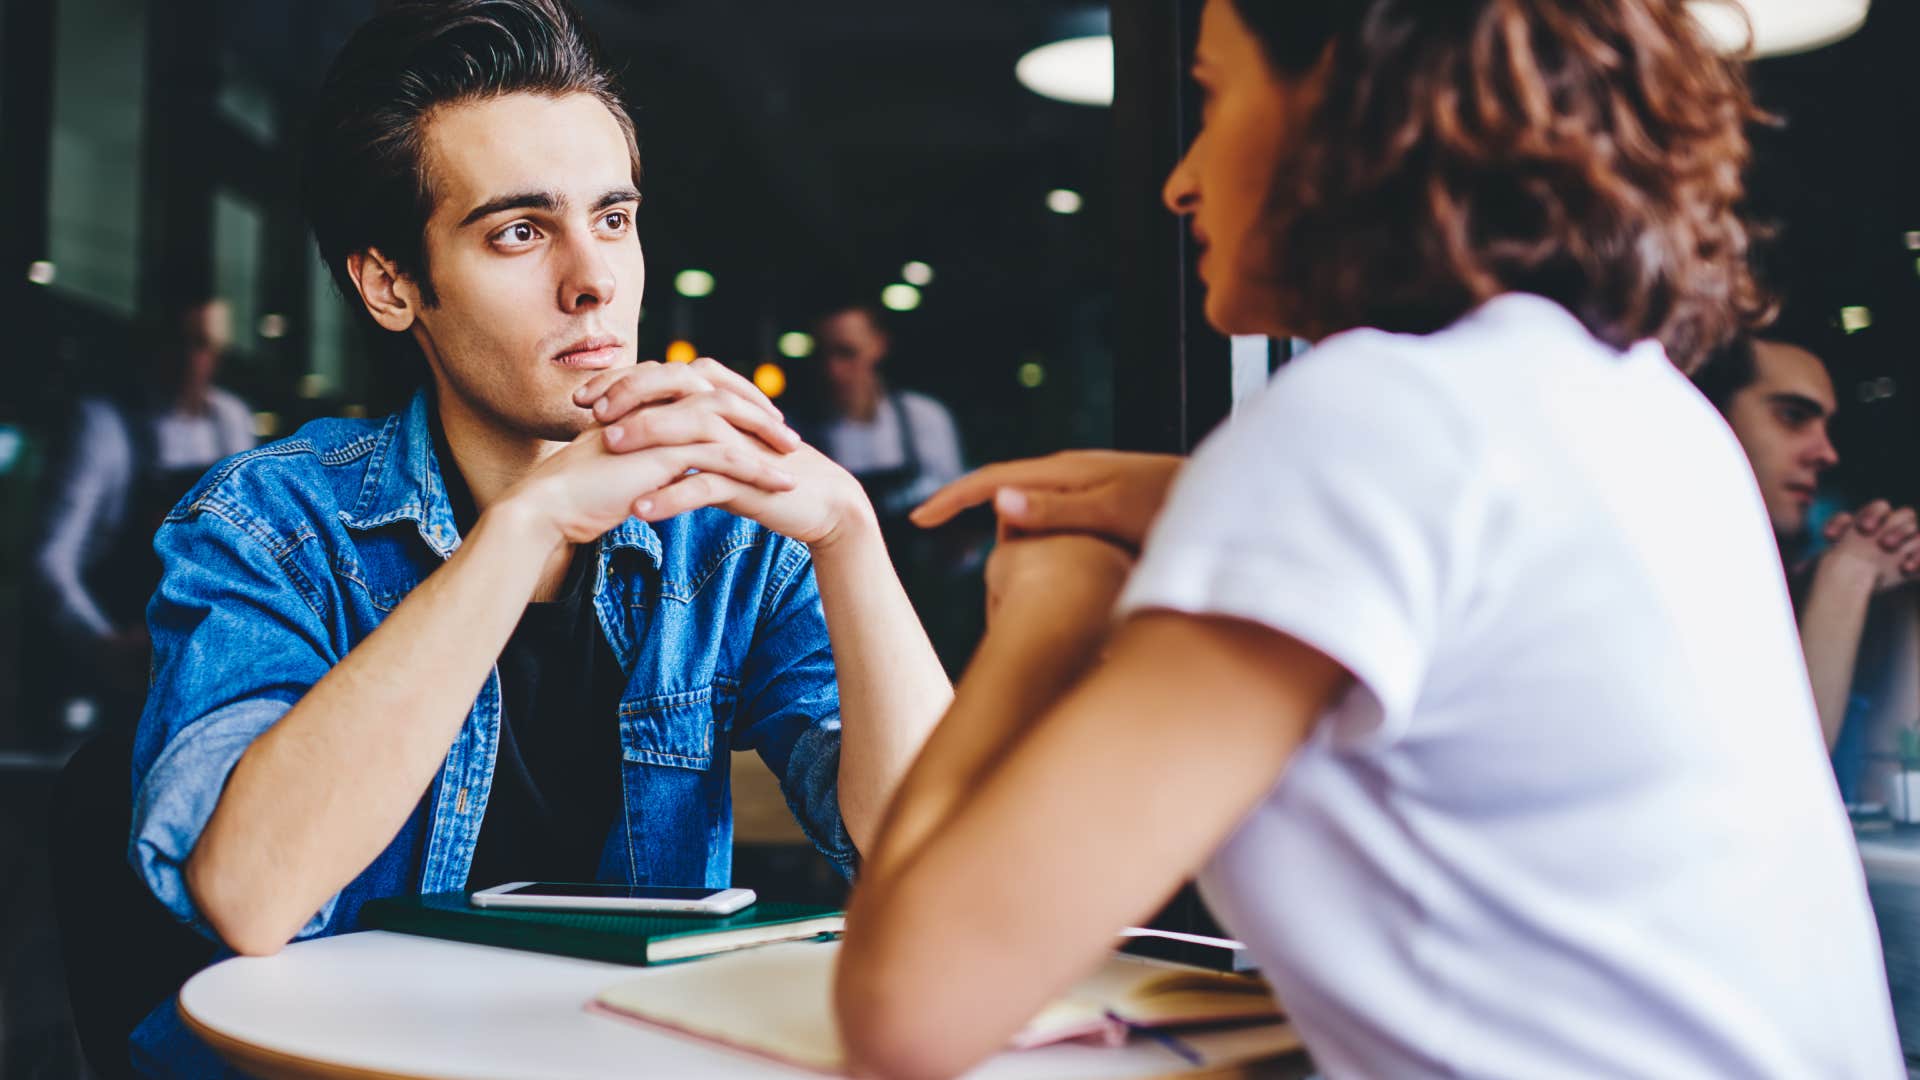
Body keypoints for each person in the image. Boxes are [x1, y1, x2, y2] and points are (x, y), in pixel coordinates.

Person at [836, 1, 1900, 1077]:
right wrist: (1197, 504)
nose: (1180, 179)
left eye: (1210, 94)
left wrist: (1061, 590)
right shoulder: (1643, 408)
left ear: (1357, 94)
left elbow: (909, 1009)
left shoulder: (1374, 418)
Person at [127, 1, 948, 1075]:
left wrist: (847, 536)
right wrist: (529, 525)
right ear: (390, 284)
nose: (593, 279)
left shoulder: (721, 536)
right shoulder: (270, 524)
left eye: (612, 218)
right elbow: (252, 895)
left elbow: (931, 861)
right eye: (520, 231)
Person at [1695, 334, 1920, 800]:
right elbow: (1778, 796)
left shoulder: (1780, 587)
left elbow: (1894, 796)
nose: (1826, 452)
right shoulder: (1668, 584)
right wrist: (1849, 575)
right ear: (1707, 416)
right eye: (1792, 416)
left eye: (1826, 426)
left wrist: (1897, 596)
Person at [27, 299, 255, 732]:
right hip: (115, 665)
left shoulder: (232, 421)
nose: (192, 360)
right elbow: (51, 561)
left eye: (203, 346)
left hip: (204, 666)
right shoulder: (103, 426)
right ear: (152, 347)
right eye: (179, 344)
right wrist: (103, 643)